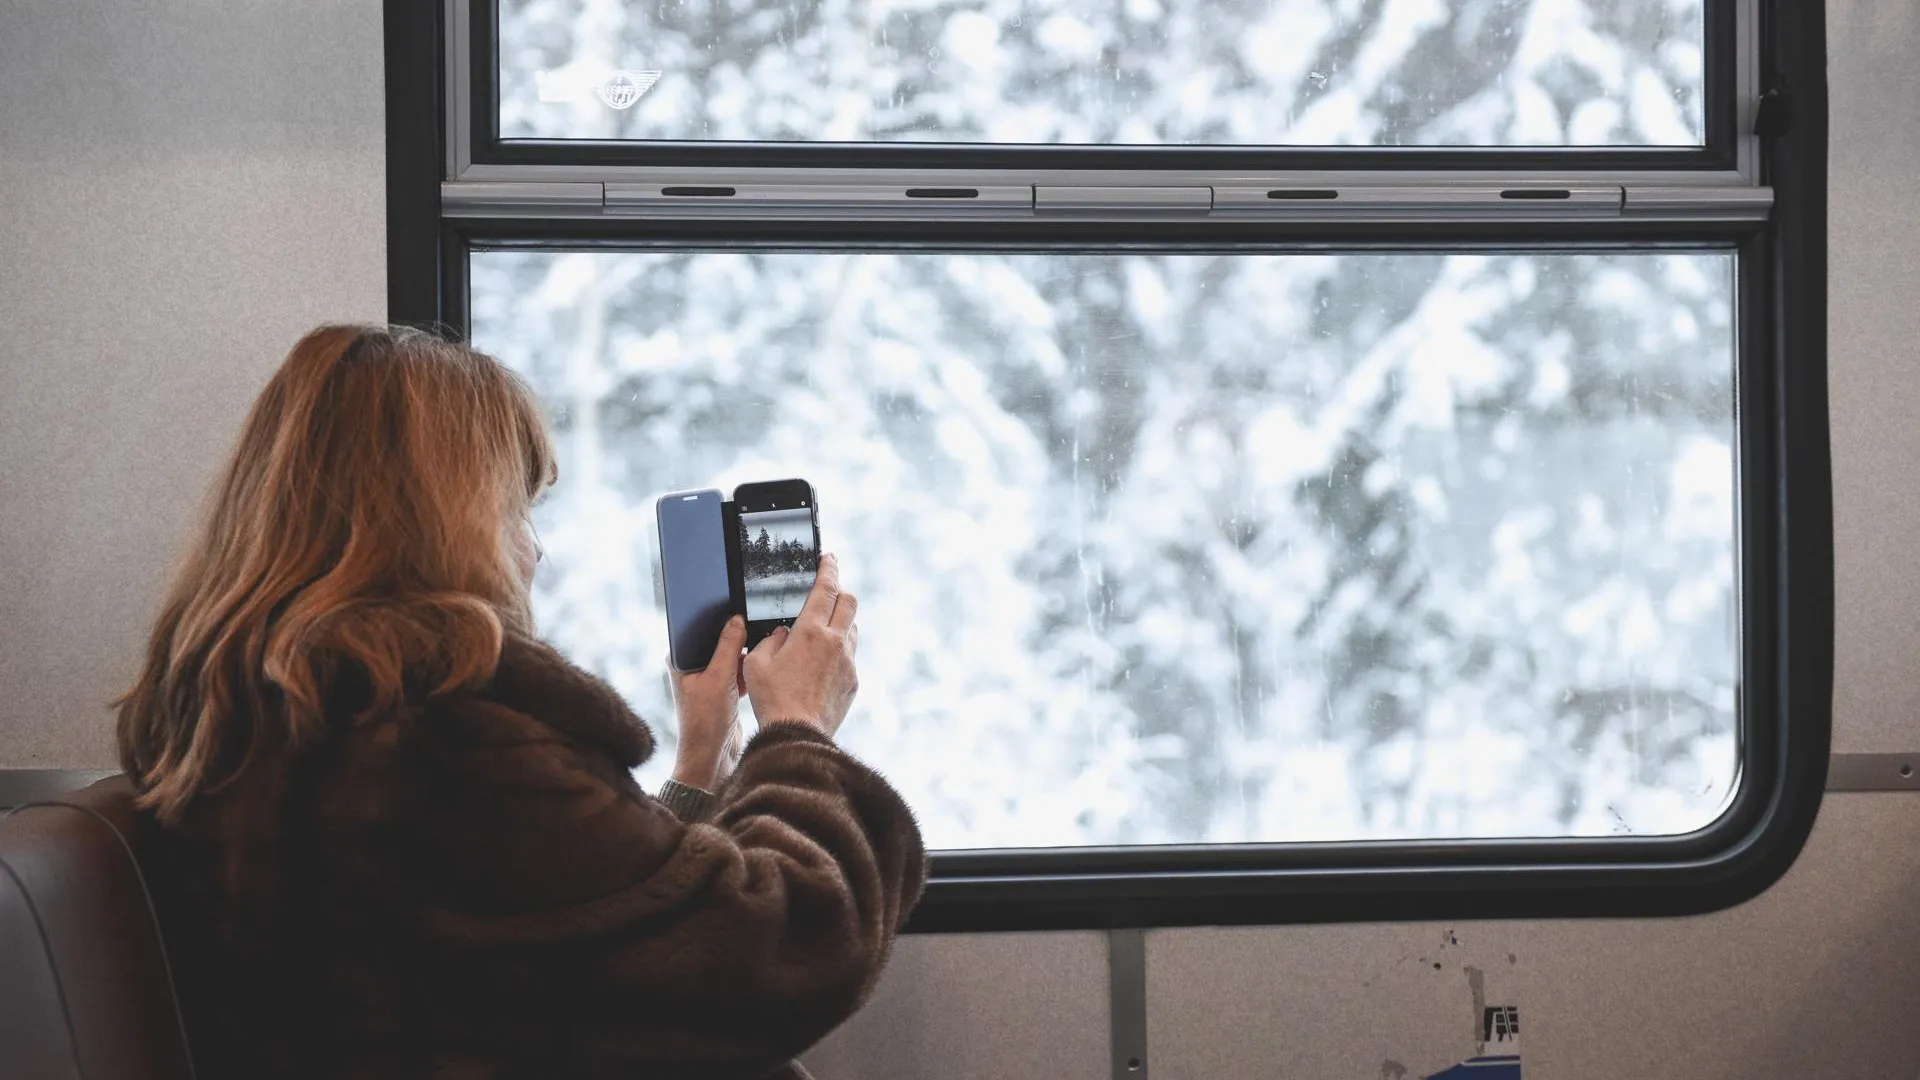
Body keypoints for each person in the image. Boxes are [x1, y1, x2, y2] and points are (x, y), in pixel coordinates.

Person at [115, 324, 927, 1079]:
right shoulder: (442, 748)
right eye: (516, 509)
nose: (532, 550)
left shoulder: (275, 717)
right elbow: (778, 952)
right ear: (443, 521)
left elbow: (582, 933)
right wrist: (799, 732)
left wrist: (698, 765)